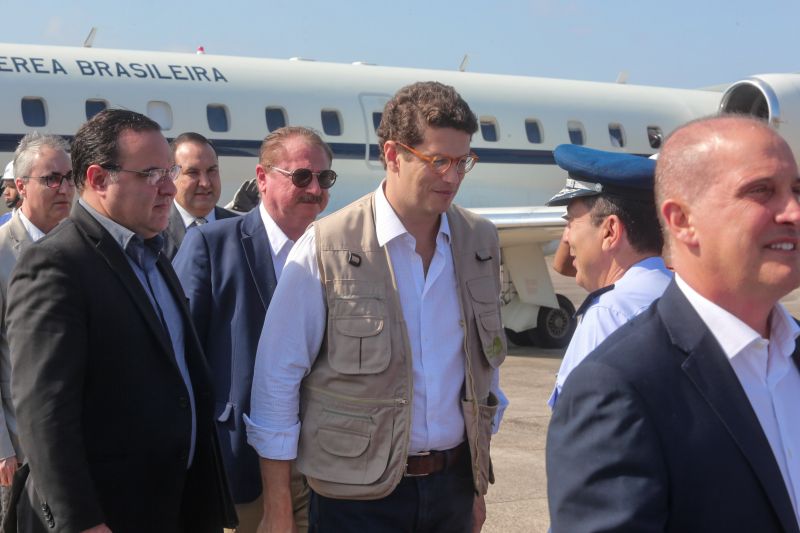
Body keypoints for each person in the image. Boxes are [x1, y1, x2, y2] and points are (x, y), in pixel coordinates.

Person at [246, 81, 508, 533]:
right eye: (437, 160)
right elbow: (276, 380)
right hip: (355, 501)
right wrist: (278, 508)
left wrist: (476, 488)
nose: (452, 177)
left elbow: (485, 375)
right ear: (392, 154)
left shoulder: (479, 242)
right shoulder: (327, 246)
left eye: (462, 161)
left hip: (452, 492)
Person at [547, 115, 800, 532]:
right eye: (761, 191)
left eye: (796, 190)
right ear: (681, 221)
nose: (791, 211)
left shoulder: (790, 355)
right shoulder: (614, 389)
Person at [5, 109, 236, 533]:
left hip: (175, 506)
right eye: (152, 174)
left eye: (169, 171)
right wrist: (82, 522)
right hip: (108, 516)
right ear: (97, 180)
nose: (170, 188)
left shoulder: (152, 253)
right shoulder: (56, 264)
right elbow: (44, 413)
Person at [172, 126, 335, 532]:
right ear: (262, 179)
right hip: (243, 464)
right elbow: (179, 360)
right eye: (301, 177)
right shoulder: (212, 246)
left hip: (328, 464)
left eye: (324, 178)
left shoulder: (338, 250)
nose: (314, 188)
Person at [544, 145, 671, 408]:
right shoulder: (684, 297)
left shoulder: (609, 314)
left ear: (610, 231)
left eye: (571, 222)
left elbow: (583, 432)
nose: (566, 237)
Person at [0, 133, 74, 524]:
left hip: (78, 440)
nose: (64, 188)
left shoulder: (84, 247)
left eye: (69, 177)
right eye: (51, 179)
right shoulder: (1, 252)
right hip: (19, 446)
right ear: (21, 186)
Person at [162, 132, 237, 260]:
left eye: (211, 171)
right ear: (172, 175)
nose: (205, 183)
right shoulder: (153, 234)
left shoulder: (240, 230)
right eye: (193, 172)